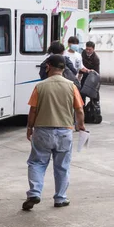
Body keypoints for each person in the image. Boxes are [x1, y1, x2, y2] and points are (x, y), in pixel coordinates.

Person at [22, 54, 86, 211]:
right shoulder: (72, 86)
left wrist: (30, 127)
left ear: (48, 67)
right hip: (64, 131)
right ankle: (60, 198)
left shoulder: (40, 86)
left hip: (42, 131)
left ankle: (35, 193)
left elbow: (33, 110)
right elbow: (79, 110)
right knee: (62, 166)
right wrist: (81, 126)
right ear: (63, 68)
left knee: (37, 162)